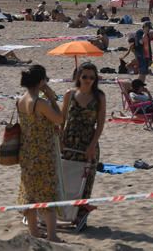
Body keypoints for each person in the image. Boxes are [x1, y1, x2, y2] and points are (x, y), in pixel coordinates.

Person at [17, 65, 63, 242]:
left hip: (27, 151)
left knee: (30, 192)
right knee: (47, 192)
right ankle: (52, 235)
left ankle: (34, 232)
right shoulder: (40, 102)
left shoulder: (21, 100)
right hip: (43, 152)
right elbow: (59, 119)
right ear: (41, 80)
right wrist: (52, 97)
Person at [61, 62, 106, 221]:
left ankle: (79, 216)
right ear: (78, 76)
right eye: (85, 76)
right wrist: (60, 139)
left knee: (85, 181)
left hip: (88, 140)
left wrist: (93, 145)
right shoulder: (69, 94)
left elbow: (100, 123)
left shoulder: (99, 96)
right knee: (65, 177)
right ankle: (62, 213)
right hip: (69, 139)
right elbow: (62, 119)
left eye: (92, 77)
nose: (88, 80)